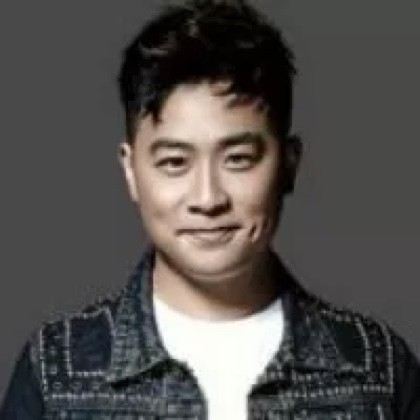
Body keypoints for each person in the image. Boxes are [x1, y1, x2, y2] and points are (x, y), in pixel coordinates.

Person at [1, 0, 419, 418]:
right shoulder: (56, 376)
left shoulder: (378, 372)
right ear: (131, 171)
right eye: (174, 162)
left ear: (289, 164)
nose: (207, 198)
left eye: (238, 159)